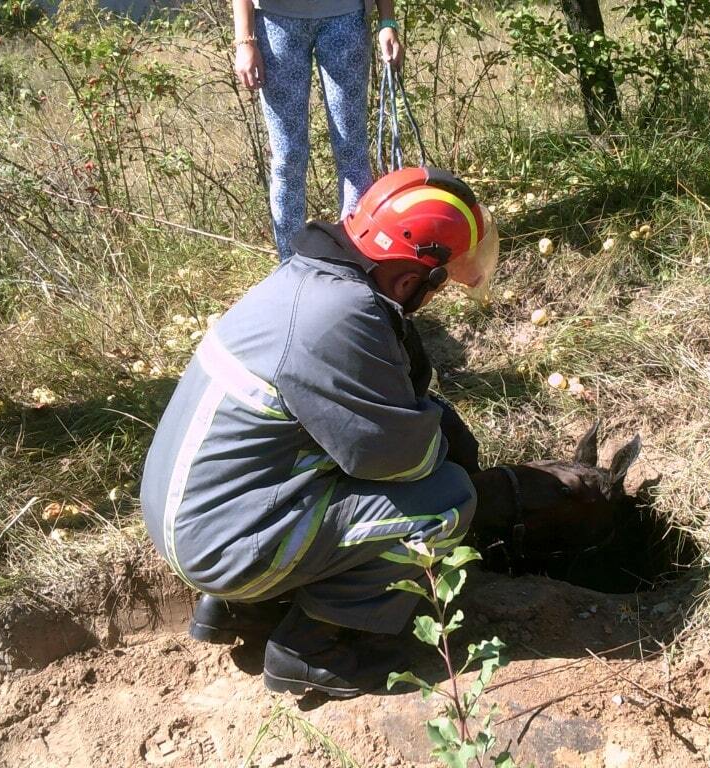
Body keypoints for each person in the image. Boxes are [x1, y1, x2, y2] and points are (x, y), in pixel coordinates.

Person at [140, 167, 499, 696]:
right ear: (407, 280)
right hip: (221, 543)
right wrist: (444, 438)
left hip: (192, 516)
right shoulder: (345, 314)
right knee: (444, 497)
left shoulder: (304, 277)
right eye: (432, 287)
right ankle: (308, 648)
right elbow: (404, 461)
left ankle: (243, 608)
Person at [231, 0, 403, 261]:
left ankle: (354, 265)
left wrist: (387, 21)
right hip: (277, 21)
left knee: (352, 153)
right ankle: (290, 268)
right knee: (288, 158)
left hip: (345, 19)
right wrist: (244, 41)